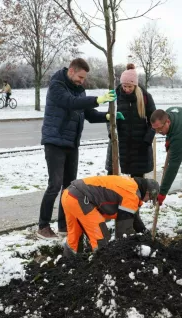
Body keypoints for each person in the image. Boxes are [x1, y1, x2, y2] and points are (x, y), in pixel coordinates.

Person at [38, 58, 123, 239]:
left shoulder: (80, 90)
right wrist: (99, 99)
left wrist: (109, 116)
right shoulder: (57, 86)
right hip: (55, 141)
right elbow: (70, 103)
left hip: (71, 143)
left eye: (84, 78)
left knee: (69, 188)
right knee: (55, 184)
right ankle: (43, 226)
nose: (82, 81)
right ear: (71, 71)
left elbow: (89, 115)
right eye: (80, 77)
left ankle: (63, 226)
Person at [61, 175, 159, 256]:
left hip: (69, 195)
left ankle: (68, 266)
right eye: (150, 198)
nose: (147, 201)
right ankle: (101, 271)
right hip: (81, 199)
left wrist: (145, 234)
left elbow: (134, 218)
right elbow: (123, 230)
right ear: (147, 192)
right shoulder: (131, 194)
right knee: (101, 238)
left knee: (74, 236)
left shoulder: (131, 186)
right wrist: (127, 252)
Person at [105, 63, 156, 178]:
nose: (127, 89)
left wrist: (148, 139)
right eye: (124, 86)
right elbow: (109, 117)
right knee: (112, 180)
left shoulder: (145, 97)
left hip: (140, 145)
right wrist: (111, 133)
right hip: (119, 144)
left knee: (136, 183)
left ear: (135, 85)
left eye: (130, 86)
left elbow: (154, 121)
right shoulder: (115, 96)